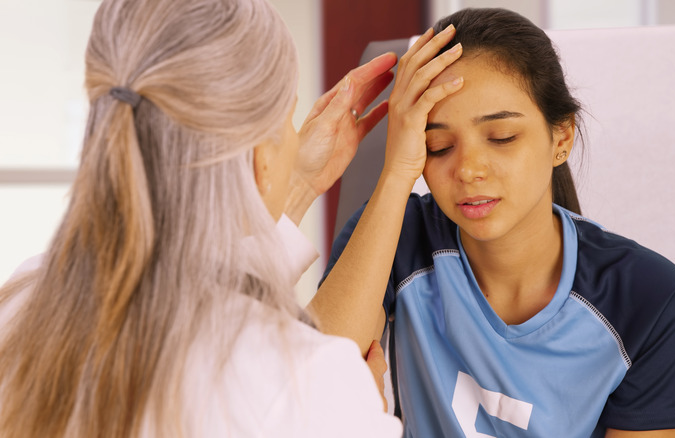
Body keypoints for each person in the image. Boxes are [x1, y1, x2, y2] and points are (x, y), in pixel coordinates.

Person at [0, 0, 402, 436]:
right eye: (287, 119)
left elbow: (192, 287)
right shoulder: (307, 382)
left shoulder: (23, 301)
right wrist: (359, 412)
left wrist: (297, 184)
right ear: (260, 156)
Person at [312, 8, 675, 438]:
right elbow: (311, 385)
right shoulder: (396, 236)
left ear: (561, 138)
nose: (469, 170)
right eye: (438, 145)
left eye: (502, 137)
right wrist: (396, 173)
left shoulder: (650, 297)